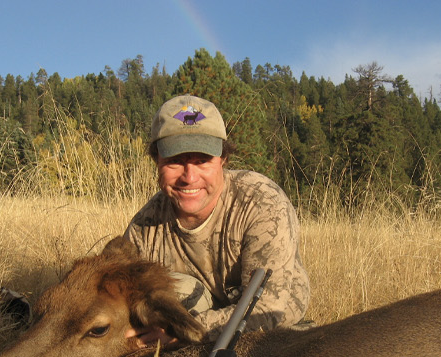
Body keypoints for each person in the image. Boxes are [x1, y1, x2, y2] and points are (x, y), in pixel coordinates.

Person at [124, 95, 309, 341]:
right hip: (195, 315)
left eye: (202, 161)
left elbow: (265, 310)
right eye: (175, 162)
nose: (189, 177)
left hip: (270, 324)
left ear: (223, 159)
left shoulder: (261, 202)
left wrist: (178, 332)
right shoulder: (144, 228)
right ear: (156, 160)